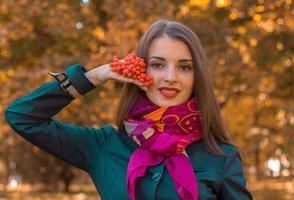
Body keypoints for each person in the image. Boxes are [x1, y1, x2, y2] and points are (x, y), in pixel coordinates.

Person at [5, 19, 253, 200]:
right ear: (141, 71)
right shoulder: (103, 146)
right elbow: (22, 117)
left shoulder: (221, 157)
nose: (170, 77)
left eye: (184, 67)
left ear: (196, 77)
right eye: (157, 64)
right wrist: (94, 76)